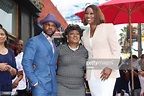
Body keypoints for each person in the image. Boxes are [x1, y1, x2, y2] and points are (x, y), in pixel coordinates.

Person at [81, 5, 121, 96]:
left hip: (106, 71)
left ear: (97, 14)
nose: (88, 16)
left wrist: (109, 67)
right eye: (86, 13)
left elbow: (116, 50)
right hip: (91, 73)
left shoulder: (107, 28)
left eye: (91, 13)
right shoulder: (84, 33)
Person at [22, 13, 60, 96]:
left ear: (55, 28)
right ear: (43, 25)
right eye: (48, 24)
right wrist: (34, 81)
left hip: (53, 84)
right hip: (40, 84)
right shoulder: (34, 41)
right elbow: (26, 62)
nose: (50, 27)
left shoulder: (53, 43)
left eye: (53, 25)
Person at [56, 24, 88, 96]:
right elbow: (52, 64)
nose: (75, 36)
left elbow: (88, 67)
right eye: (72, 34)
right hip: (62, 87)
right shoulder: (60, 49)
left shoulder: (85, 50)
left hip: (79, 88)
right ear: (67, 36)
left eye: (77, 34)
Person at [0, 27, 17, 96]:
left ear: (6, 37)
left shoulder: (11, 52)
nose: (0, 36)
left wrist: (10, 69)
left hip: (7, 87)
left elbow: (15, 72)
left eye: (2, 34)